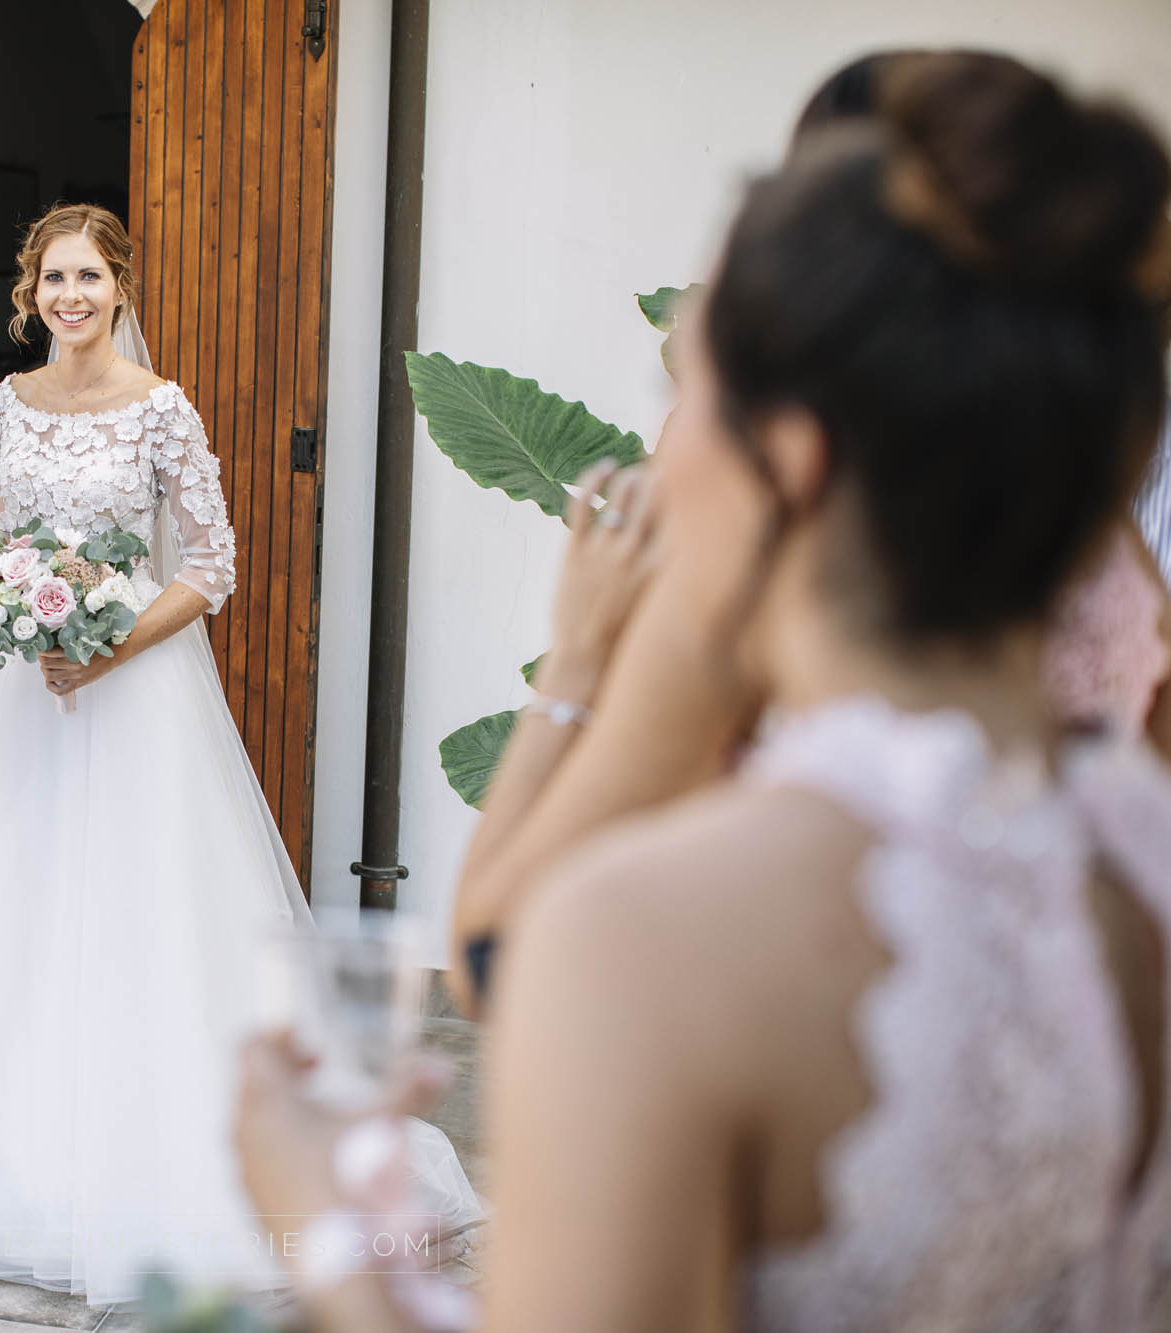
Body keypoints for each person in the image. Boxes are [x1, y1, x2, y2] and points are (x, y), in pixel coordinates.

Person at [242, 51, 1171, 1330]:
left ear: (786, 463)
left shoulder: (643, 943)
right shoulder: (1138, 853)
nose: (657, 450)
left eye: (686, 386)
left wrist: (325, 1215)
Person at [0, 202, 482, 1304]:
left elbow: (210, 567)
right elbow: (14, 549)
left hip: (132, 691)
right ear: (31, 295)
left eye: (88, 277)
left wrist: (106, 653)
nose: (69, 296)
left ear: (120, 289)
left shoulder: (162, 409)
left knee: (138, 914)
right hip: (15, 689)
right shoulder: (12, 403)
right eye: (52, 279)